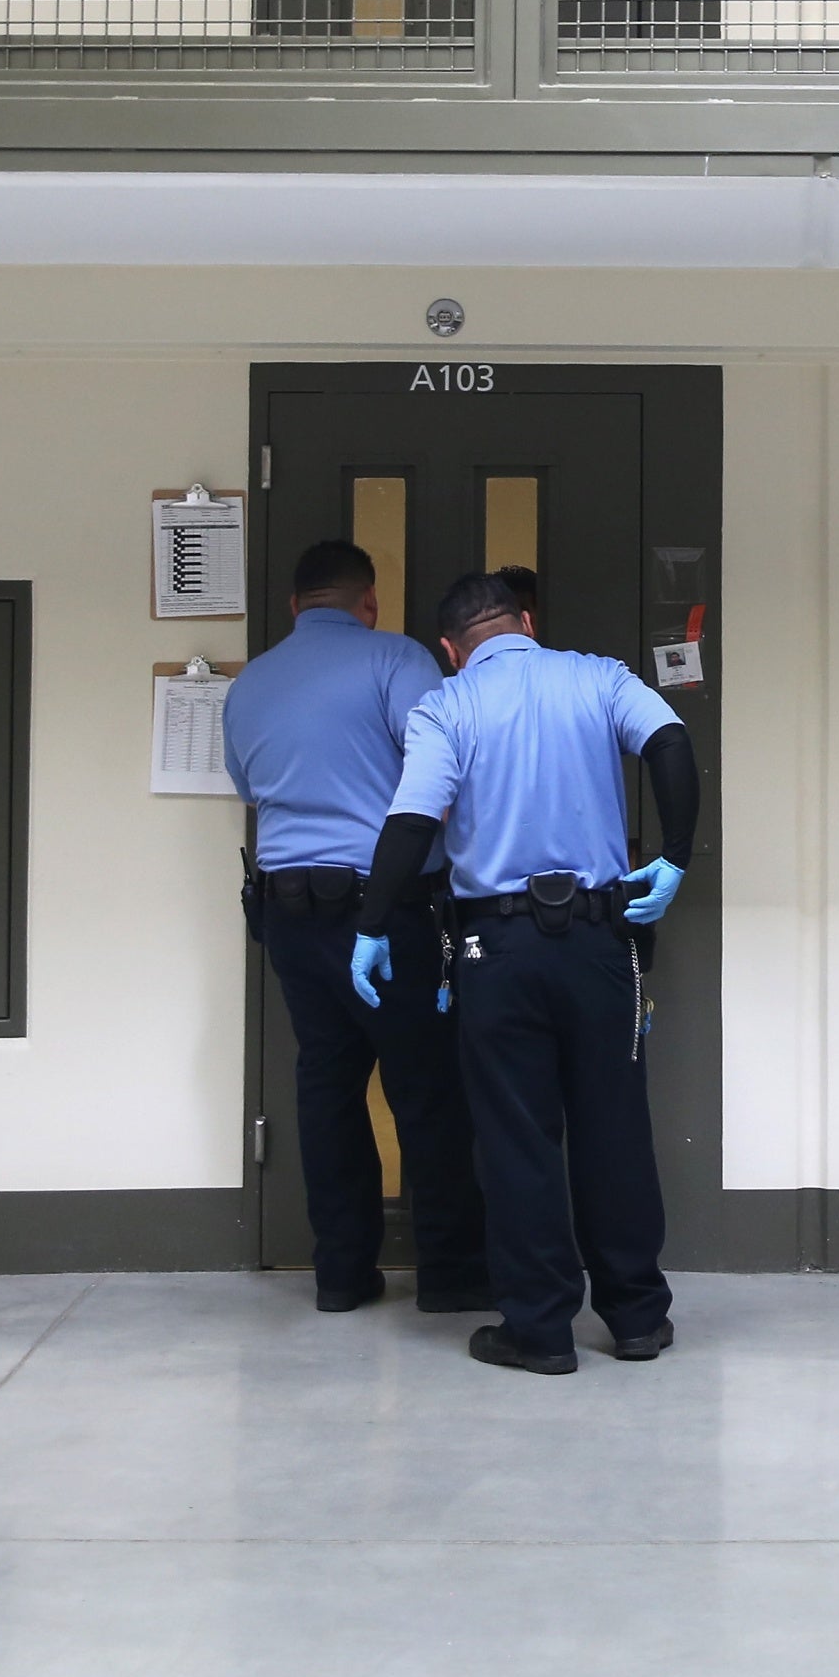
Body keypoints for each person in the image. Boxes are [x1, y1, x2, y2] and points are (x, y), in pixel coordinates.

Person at [351, 570, 697, 1375]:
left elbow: (410, 820)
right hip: (602, 941)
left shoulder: (447, 705)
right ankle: (638, 1316)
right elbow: (672, 743)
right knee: (614, 1126)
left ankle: (539, 1329)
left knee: (517, 1139)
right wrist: (675, 858)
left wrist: (371, 926)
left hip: (496, 952)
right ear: (528, 621)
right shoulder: (600, 676)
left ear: (450, 648)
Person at [221, 539, 486, 1315]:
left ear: (294, 606)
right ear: (367, 601)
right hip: (384, 908)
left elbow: (247, 785)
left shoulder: (249, 685)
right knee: (425, 1089)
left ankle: (341, 1272)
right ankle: (451, 1274)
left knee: (327, 1085)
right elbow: (444, 763)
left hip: (287, 911)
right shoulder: (396, 659)